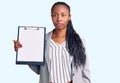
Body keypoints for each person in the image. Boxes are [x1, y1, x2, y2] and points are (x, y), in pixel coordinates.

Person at [13, 1, 91, 83]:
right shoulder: (43, 40)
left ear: (69, 17)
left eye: (63, 15)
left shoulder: (78, 41)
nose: (59, 19)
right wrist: (23, 51)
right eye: (55, 15)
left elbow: (85, 71)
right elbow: (38, 70)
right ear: (51, 16)